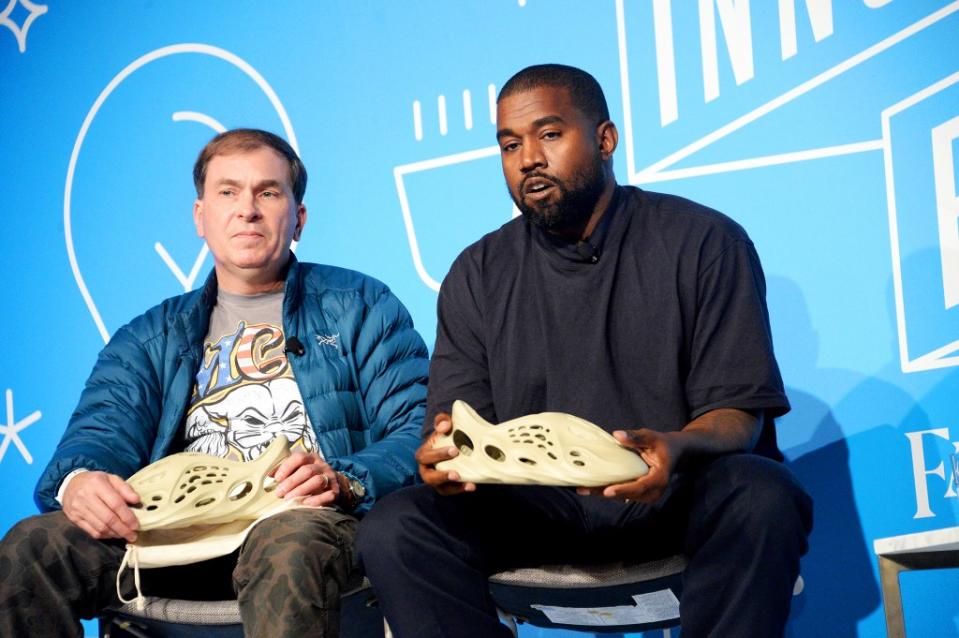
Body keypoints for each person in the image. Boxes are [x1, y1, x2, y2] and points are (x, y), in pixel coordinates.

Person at [356, 64, 813, 637]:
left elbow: (738, 415)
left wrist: (675, 447)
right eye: (509, 144)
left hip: (669, 493)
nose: (528, 159)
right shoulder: (476, 273)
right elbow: (459, 427)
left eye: (549, 135)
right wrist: (444, 460)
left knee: (762, 494)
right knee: (398, 525)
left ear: (605, 139)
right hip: (535, 508)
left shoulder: (703, 241)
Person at [0, 128, 429, 637]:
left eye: (268, 192)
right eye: (228, 192)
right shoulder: (147, 337)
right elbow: (101, 433)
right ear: (201, 217)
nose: (247, 209)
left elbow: (418, 430)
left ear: (299, 219)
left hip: (303, 524)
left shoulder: (360, 303)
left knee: (286, 541)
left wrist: (344, 478)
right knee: (31, 548)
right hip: (169, 531)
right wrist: (82, 481)